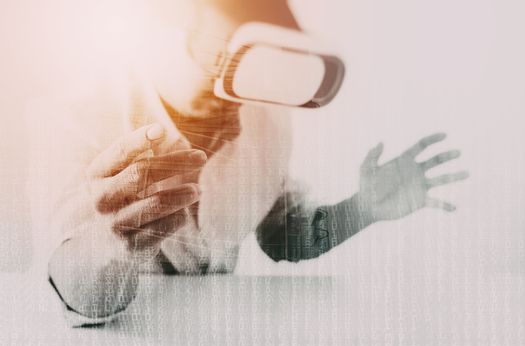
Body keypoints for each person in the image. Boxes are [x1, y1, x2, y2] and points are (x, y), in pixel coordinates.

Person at [38, 0, 468, 326]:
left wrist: (360, 210)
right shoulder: (82, 116)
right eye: (215, 55)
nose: (232, 99)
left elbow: (280, 231)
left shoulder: (265, 114)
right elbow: (67, 291)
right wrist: (111, 247)